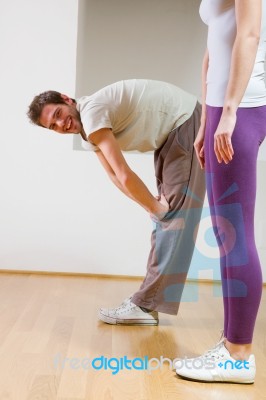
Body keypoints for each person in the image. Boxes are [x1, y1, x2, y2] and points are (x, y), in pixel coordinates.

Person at [27, 79, 205, 325]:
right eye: (53, 126)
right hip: (171, 133)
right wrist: (149, 207)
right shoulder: (87, 134)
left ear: (67, 99)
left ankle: (144, 306)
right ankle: (147, 304)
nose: (61, 124)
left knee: (171, 218)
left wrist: (156, 209)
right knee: (165, 217)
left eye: (58, 114)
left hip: (183, 121)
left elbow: (123, 173)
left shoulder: (91, 113)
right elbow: (114, 177)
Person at [176, 0, 266, 384]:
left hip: (240, 105)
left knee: (236, 232)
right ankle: (231, 344)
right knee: (225, 232)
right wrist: (206, 118)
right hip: (220, 105)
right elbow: (214, 45)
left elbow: (249, 33)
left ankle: (239, 356)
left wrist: (228, 112)